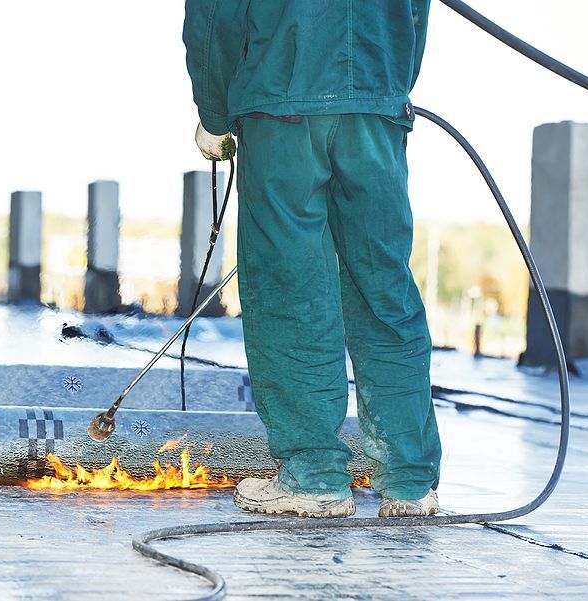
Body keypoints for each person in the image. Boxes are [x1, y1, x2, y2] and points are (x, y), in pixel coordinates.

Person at [183, 1, 441, 518]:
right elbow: (417, 14)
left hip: (283, 104)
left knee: (291, 289)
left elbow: (215, 13)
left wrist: (213, 113)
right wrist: (386, 85)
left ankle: (315, 477)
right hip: (376, 107)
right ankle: (410, 482)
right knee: (385, 287)